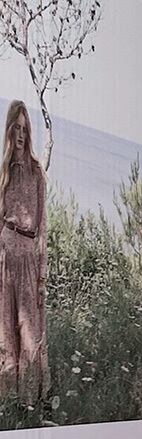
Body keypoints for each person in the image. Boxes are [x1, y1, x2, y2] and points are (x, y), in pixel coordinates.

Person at [0, 99, 50, 405]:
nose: (20, 134)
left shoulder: (36, 172)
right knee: (6, 332)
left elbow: (42, 228)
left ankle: (28, 402)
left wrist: (42, 277)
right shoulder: (4, 172)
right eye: (16, 128)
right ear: (9, 130)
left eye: (25, 128)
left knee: (29, 334)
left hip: (29, 258)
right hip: (5, 256)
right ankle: (7, 402)